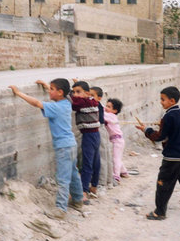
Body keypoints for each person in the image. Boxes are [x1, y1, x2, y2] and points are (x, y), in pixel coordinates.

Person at [9, 79, 84, 220]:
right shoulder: (67, 103)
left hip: (63, 147)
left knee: (63, 178)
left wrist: (19, 93)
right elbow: (61, 93)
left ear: (60, 92)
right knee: (73, 174)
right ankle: (78, 200)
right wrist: (46, 85)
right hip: (71, 145)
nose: (49, 91)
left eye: (52, 89)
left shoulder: (56, 108)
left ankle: (60, 209)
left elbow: (37, 103)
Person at [136, 86, 180, 220]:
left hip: (172, 157)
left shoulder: (168, 116)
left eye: (163, 99)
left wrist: (146, 130)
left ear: (172, 101)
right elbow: (173, 131)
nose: (161, 102)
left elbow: (160, 137)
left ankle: (160, 212)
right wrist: (161, 125)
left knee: (163, 183)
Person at [70, 81, 101, 203]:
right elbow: (78, 97)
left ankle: (83, 191)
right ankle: (93, 186)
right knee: (95, 161)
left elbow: (71, 102)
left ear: (87, 93)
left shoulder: (83, 102)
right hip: (96, 134)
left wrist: (48, 87)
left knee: (87, 163)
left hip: (88, 135)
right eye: (74, 92)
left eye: (78, 92)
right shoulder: (93, 100)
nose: (75, 95)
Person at [90, 86, 114, 188]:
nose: (89, 97)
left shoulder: (97, 105)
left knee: (102, 157)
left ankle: (102, 183)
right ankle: (109, 181)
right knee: (105, 155)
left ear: (99, 98)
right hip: (101, 129)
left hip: (99, 129)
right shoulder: (97, 103)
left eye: (92, 95)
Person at [104, 98, 128, 184]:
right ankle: (124, 172)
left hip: (117, 140)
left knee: (116, 158)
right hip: (117, 140)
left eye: (109, 107)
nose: (106, 108)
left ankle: (116, 176)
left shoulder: (111, 116)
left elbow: (102, 114)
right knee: (117, 156)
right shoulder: (110, 114)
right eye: (106, 105)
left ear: (115, 110)